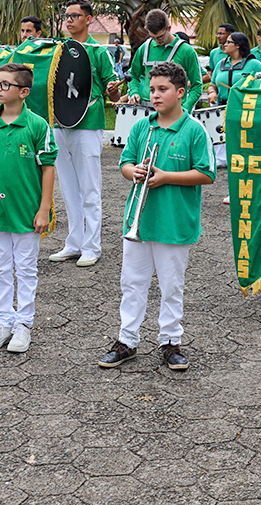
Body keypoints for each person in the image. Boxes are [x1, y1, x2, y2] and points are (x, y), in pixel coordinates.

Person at [98, 61, 215, 371]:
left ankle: (170, 341)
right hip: (139, 219)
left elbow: (207, 174)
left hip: (174, 222)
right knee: (131, 283)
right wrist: (132, 171)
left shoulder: (194, 130)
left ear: (181, 92)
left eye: (163, 89)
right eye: (152, 89)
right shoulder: (142, 127)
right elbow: (125, 163)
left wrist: (166, 177)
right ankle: (127, 340)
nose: (155, 95)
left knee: (171, 286)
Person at [0, 63, 57, 353]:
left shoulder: (38, 126)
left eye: (5, 84)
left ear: (24, 92)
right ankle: (3, 322)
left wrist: (44, 209)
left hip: (26, 213)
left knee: (26, 269)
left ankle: (23, 324)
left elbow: (48, 168)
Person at [48, 0, 121, 267]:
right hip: (59, 124)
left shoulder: (99, 52)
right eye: (66, 16)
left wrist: (113, 90)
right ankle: (74, 243)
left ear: (89, 19)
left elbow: (114, 91)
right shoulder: (58, 50)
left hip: (88, 124)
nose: (69, 20)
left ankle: (92, 246)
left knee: (89, 189)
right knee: (68, 188)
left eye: (75, 16)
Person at [208, 32, 261, 171]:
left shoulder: (253, 64)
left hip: (244, 109)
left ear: (238, 45)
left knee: (242, 143)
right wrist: (212, 92)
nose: (225, 44)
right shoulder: (221, 64)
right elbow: (213, 84)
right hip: (223, 108)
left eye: (229, 42)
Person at [127, 9, 202, 112]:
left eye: (160, 37)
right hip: (146, 108)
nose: (157, 41)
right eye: (153, 37)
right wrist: (135, 93)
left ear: (169, 28)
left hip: (175, 110)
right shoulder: (145, 48)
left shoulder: (187, 51)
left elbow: (197, 85)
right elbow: (133, 75)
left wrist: (185, 108)